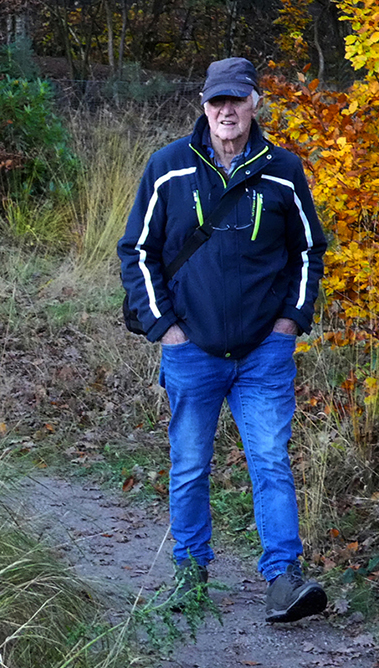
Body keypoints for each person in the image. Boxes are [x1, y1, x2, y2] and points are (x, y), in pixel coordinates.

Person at [118, 57, 329, 623]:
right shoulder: (167, 168)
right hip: (193, 351)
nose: (226, 111)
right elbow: (136, 251)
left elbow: (309, 251)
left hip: (265, 351)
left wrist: (292, 321)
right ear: (203, 106)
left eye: (236, 100)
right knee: (189, 464)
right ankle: (190, 574)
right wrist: (166, 328)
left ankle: (284, 579)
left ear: (255, 103)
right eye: (217, 102)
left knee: (270, 460)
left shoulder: (284, 170)